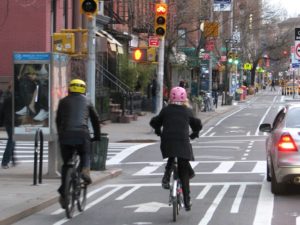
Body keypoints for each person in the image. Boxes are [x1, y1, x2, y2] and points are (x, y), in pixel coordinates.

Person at [149, 86, 202, 211]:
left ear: (171, 97)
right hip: (183, 142)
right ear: (184, 98)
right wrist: (194, 133)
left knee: (172, 154)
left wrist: (158, 131)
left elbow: (154, 122)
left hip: (167, 142)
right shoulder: (187, 111)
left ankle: (166, 177)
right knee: (184, 169)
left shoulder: (166, 110)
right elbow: (197, 124)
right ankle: (187, 202)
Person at [56, 79, 101, 208]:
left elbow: (58, 120)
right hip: (82, 134)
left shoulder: (63, 101)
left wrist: (61, 135)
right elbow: (95, 120)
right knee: (86, 152)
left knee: (66, 164)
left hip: (65, 135)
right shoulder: (87, 101)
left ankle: (64, 192)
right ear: (84, 89)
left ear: (70, 89)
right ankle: (85, 170)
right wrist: (97, 136)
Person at [1, 84, 16, 169]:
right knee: (11, 140)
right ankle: (5, 162)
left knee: (13, 140)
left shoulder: (7, 98)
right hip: (11, 123)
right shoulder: (11, 99)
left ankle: (12, 159)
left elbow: (2, 110)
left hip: (9, 123)